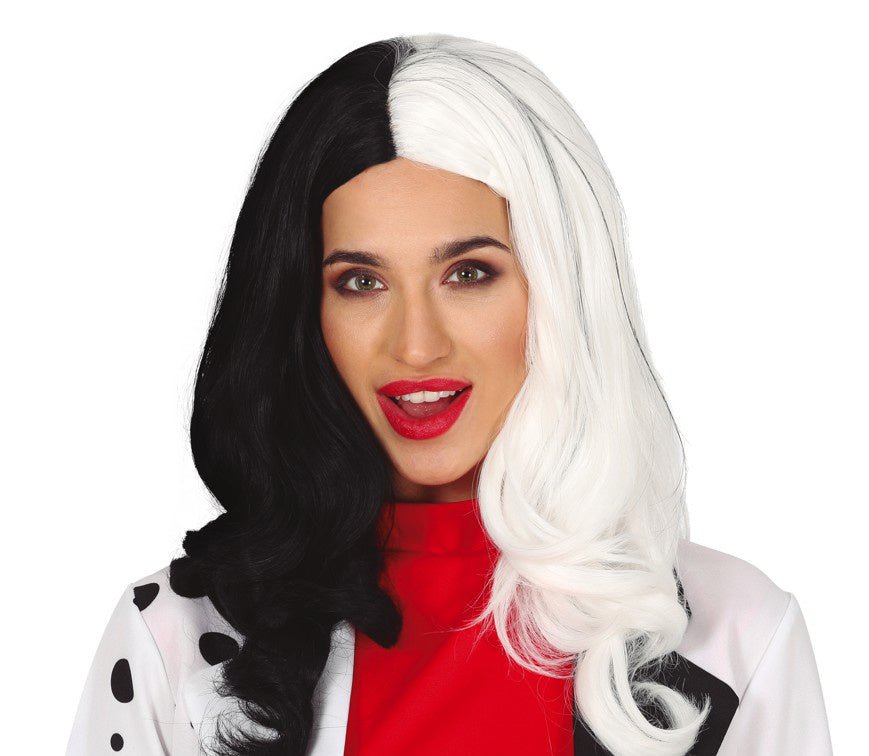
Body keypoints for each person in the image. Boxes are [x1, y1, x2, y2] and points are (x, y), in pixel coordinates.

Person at [64, 34, 833, 756]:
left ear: (560, 288)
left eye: (468, 273)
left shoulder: (731, 637)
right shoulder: (177, 640)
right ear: (304, 312)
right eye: (360, 282)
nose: (416, 345)